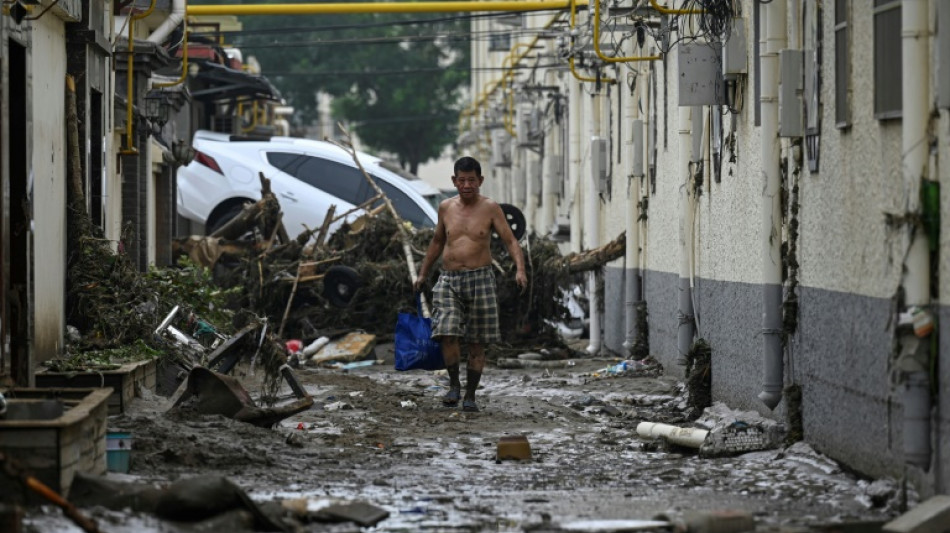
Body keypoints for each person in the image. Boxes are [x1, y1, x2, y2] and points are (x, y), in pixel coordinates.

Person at [413, 156, 527, 412]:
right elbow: (437, 242)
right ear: (454, 181)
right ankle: (454, 385)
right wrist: (422, 273)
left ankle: (470, 395)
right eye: (461, 180)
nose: (466, 185)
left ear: (480, 181)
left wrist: (520, 269)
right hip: (449, 279)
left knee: (477, 341)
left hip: (480, 279)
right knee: (447, 332)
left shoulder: (490, 208)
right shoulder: (445, 207)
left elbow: (510, 240)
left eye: (471, 180)